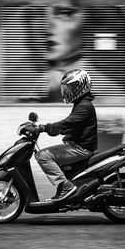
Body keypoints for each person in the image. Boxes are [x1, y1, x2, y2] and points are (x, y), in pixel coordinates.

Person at [35, 69, 97, 201]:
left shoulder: (84, 107)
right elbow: (71, 126)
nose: (67, 91)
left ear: (81, 86)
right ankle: (65, 187)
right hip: (77, 146)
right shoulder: (81, 103)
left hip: (81, 149)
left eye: (71, 87)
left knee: (43, 156)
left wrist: (44, 128)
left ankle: (66, 186)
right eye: (66, 88)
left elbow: (66, 124)